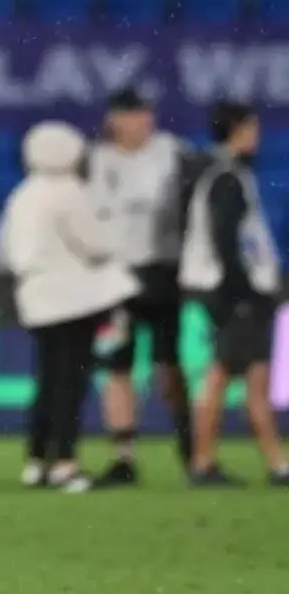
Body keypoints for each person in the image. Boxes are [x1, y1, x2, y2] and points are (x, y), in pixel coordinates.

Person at [3, 121, 140, 492]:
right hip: (71, 302)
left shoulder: (22, 195)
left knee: (46, 382)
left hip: (35, 299)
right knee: (71, 383)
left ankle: (37, 461)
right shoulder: (69, 192)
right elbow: (95, 244)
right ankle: (65, 463)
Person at [87, 87, 205, 487]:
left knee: (168, 367)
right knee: (116, 367)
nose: (143, 121)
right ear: (115, 119)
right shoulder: (96, 160)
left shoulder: (174, 153)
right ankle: (124, 457)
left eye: (147, 113)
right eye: (134, 114)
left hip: (162, 273)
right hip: (113, 279)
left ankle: (192, 451)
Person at [180, 101, 289, 487]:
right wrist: (242, 292)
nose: (257, 137)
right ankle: (265, 463)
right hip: (234, 290)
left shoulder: (224, 175)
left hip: (227, 288)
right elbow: (227, 241)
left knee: (230, 374)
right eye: (252, 128)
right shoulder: (228, 178)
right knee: (240, 376)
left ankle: (209, 460)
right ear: (238, 130)